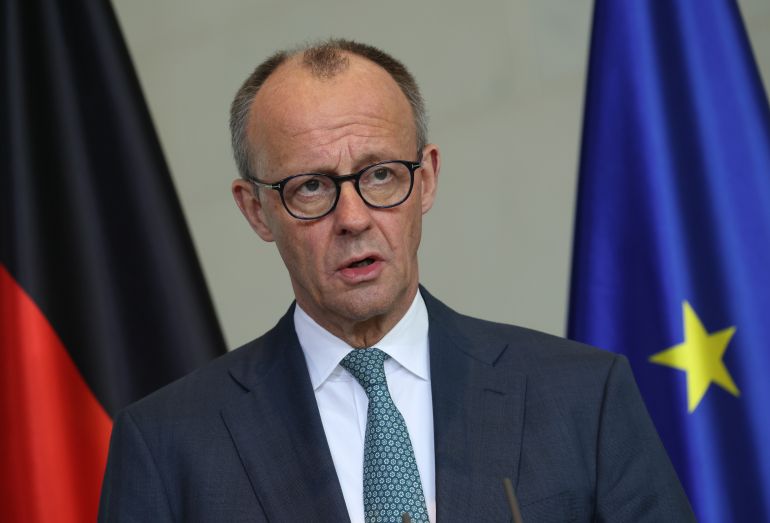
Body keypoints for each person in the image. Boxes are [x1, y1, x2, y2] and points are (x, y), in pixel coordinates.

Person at [98, 39, 695, 522]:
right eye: (310, 186)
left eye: (380, 175)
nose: (353, 218)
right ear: (256, 210)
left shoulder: (584, 398)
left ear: (427, 178)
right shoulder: (166, 445)